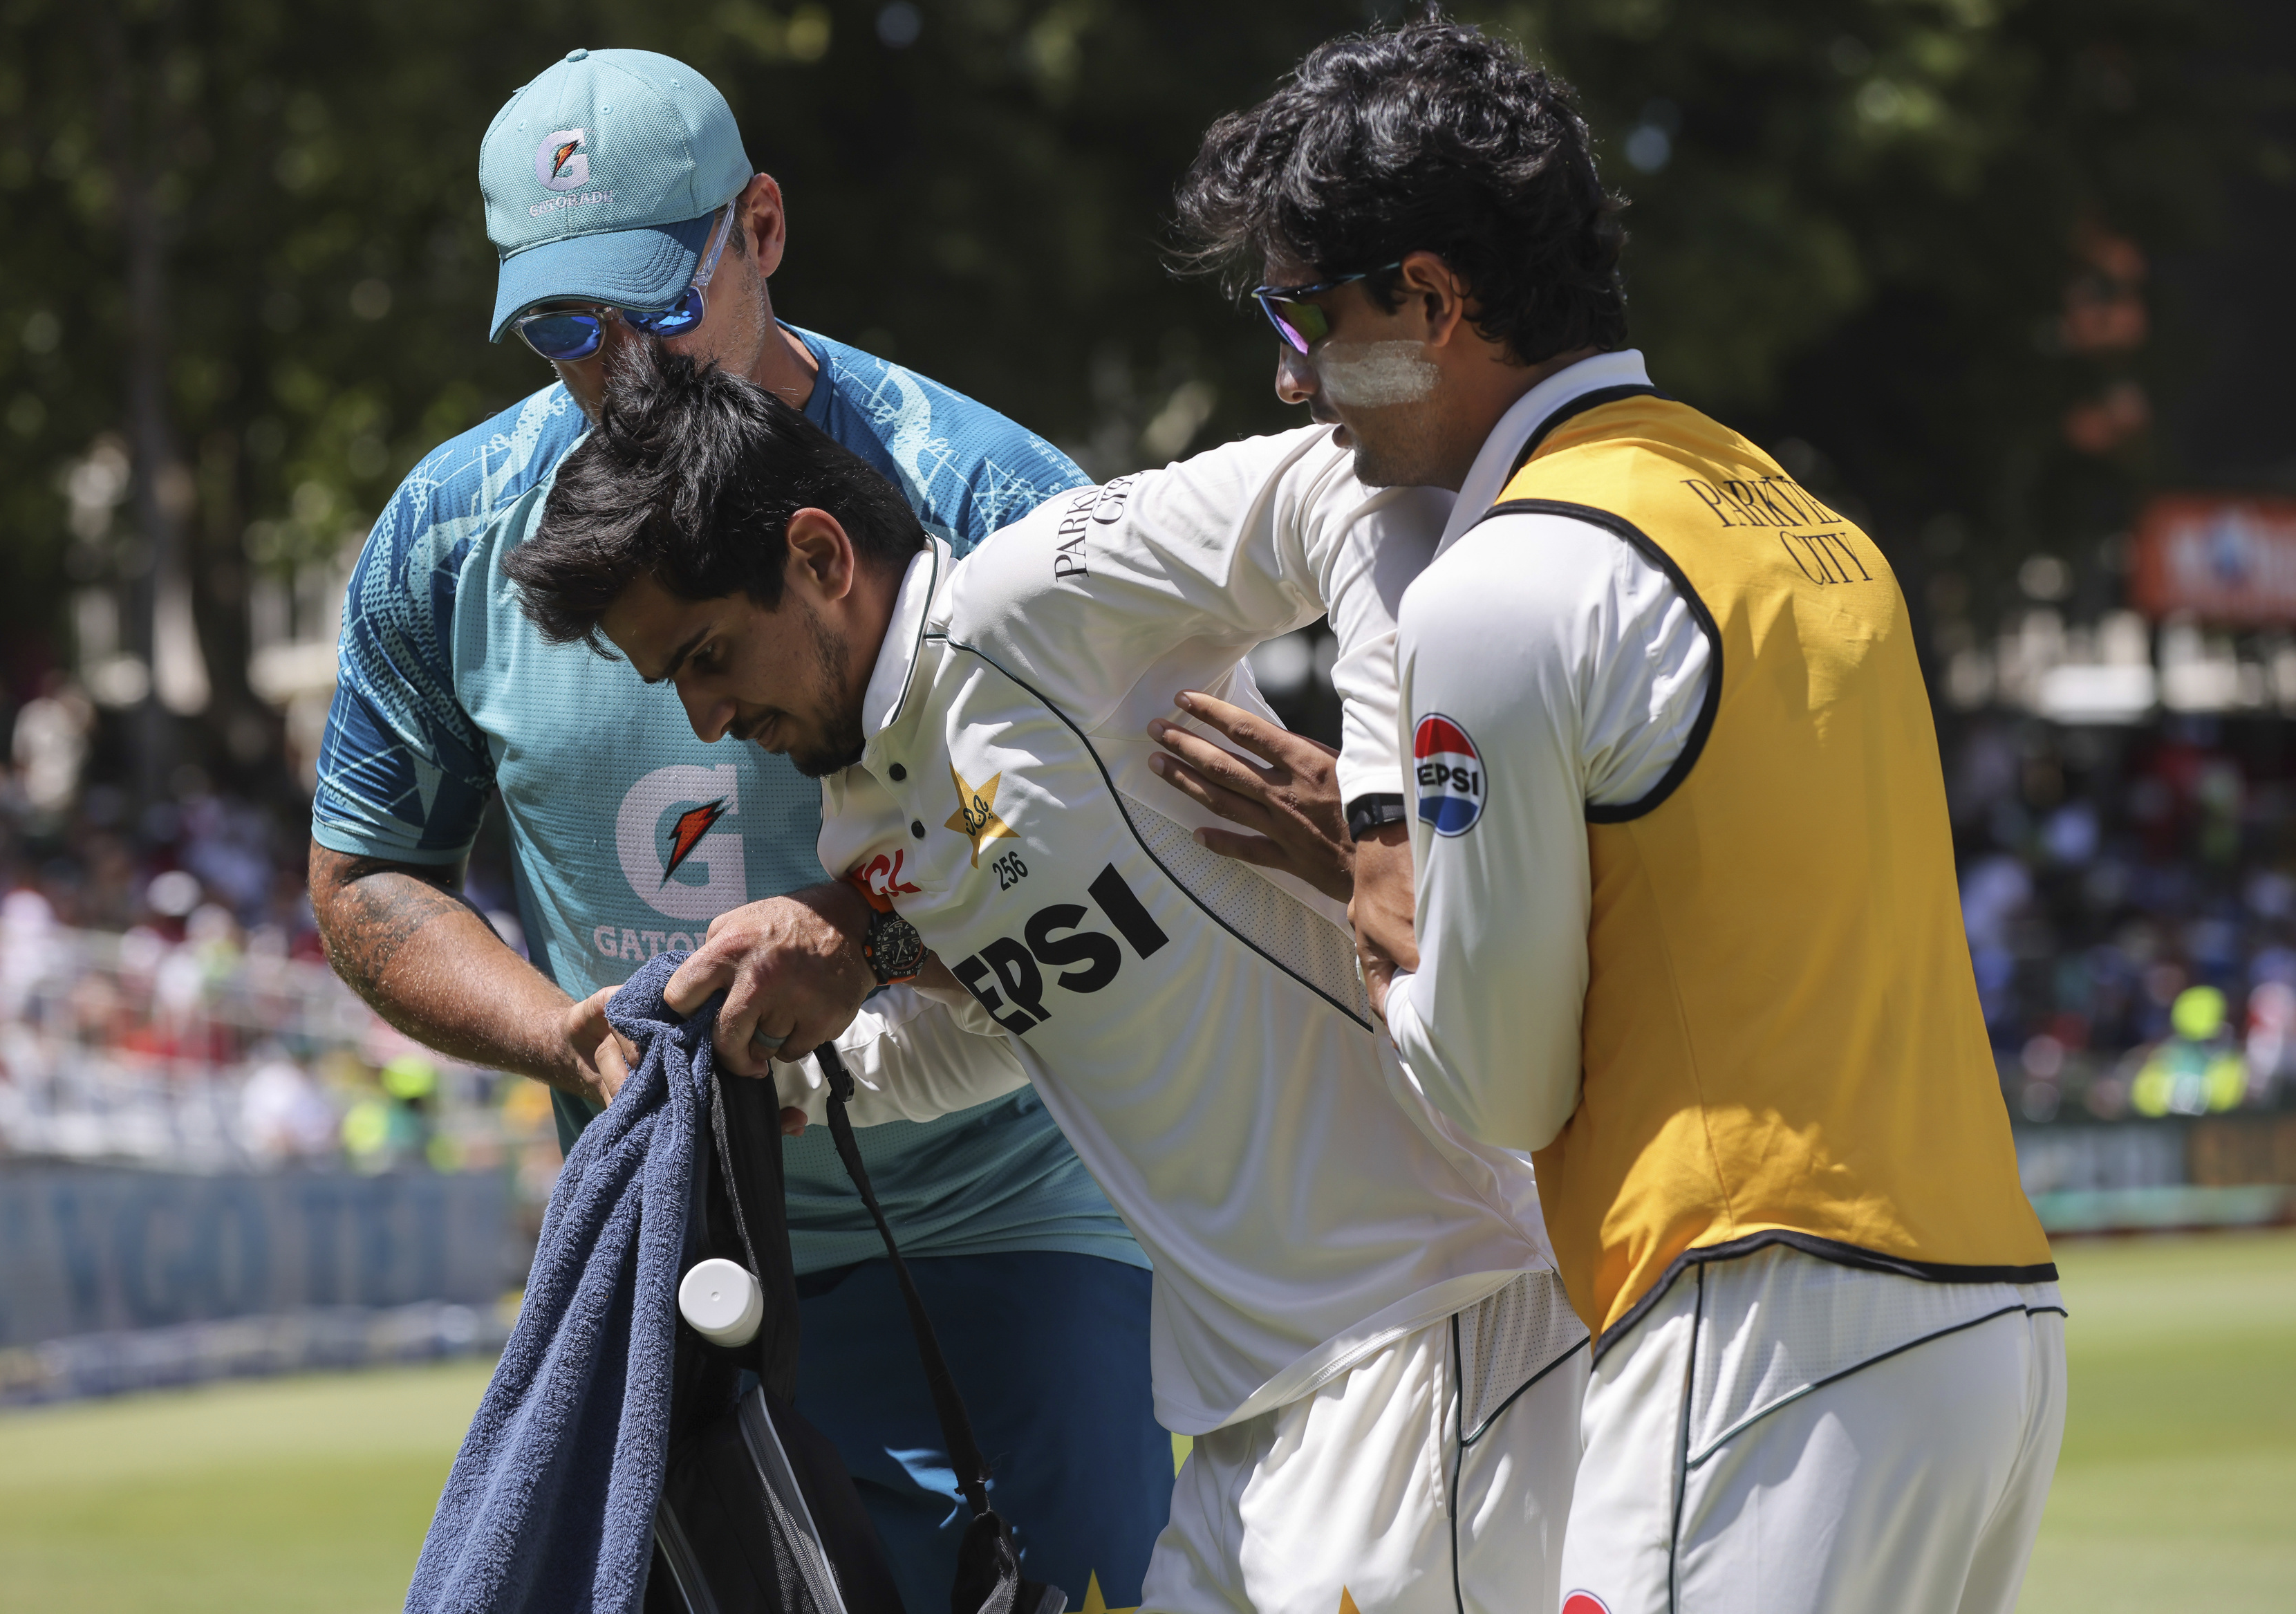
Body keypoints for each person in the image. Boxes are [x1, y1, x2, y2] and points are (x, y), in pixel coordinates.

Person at [1168, 21, 2066, 1614]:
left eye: (1303, 311)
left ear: (1430, 303)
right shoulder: (1797, 514)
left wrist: (1375, 880)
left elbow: (1495, 1087)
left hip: (1753, 1333)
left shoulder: (1499, 583)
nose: (1287, 374)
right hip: (1989, 1329)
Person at [503, 340, 1587, 1614]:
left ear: (817, 557)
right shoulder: (861, 821)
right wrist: (797, 1077)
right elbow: (1025, 1024)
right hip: (1248, 1404)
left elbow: (1347, 496)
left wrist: (1385, 814)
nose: (701, 717)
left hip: (1428, 1320)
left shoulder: (1038, 593)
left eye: (708, 657)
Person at [306, 48, 1172, 1607]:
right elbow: (367, 876)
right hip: (673, 1242)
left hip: (1019, 1218)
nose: (618, 364)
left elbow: (1140, 841)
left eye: (654, 304)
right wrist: (563, 1039)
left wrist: (854, 934)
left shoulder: (984, 492)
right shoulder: (447, 532)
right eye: (567, 328)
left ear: (760, 229)